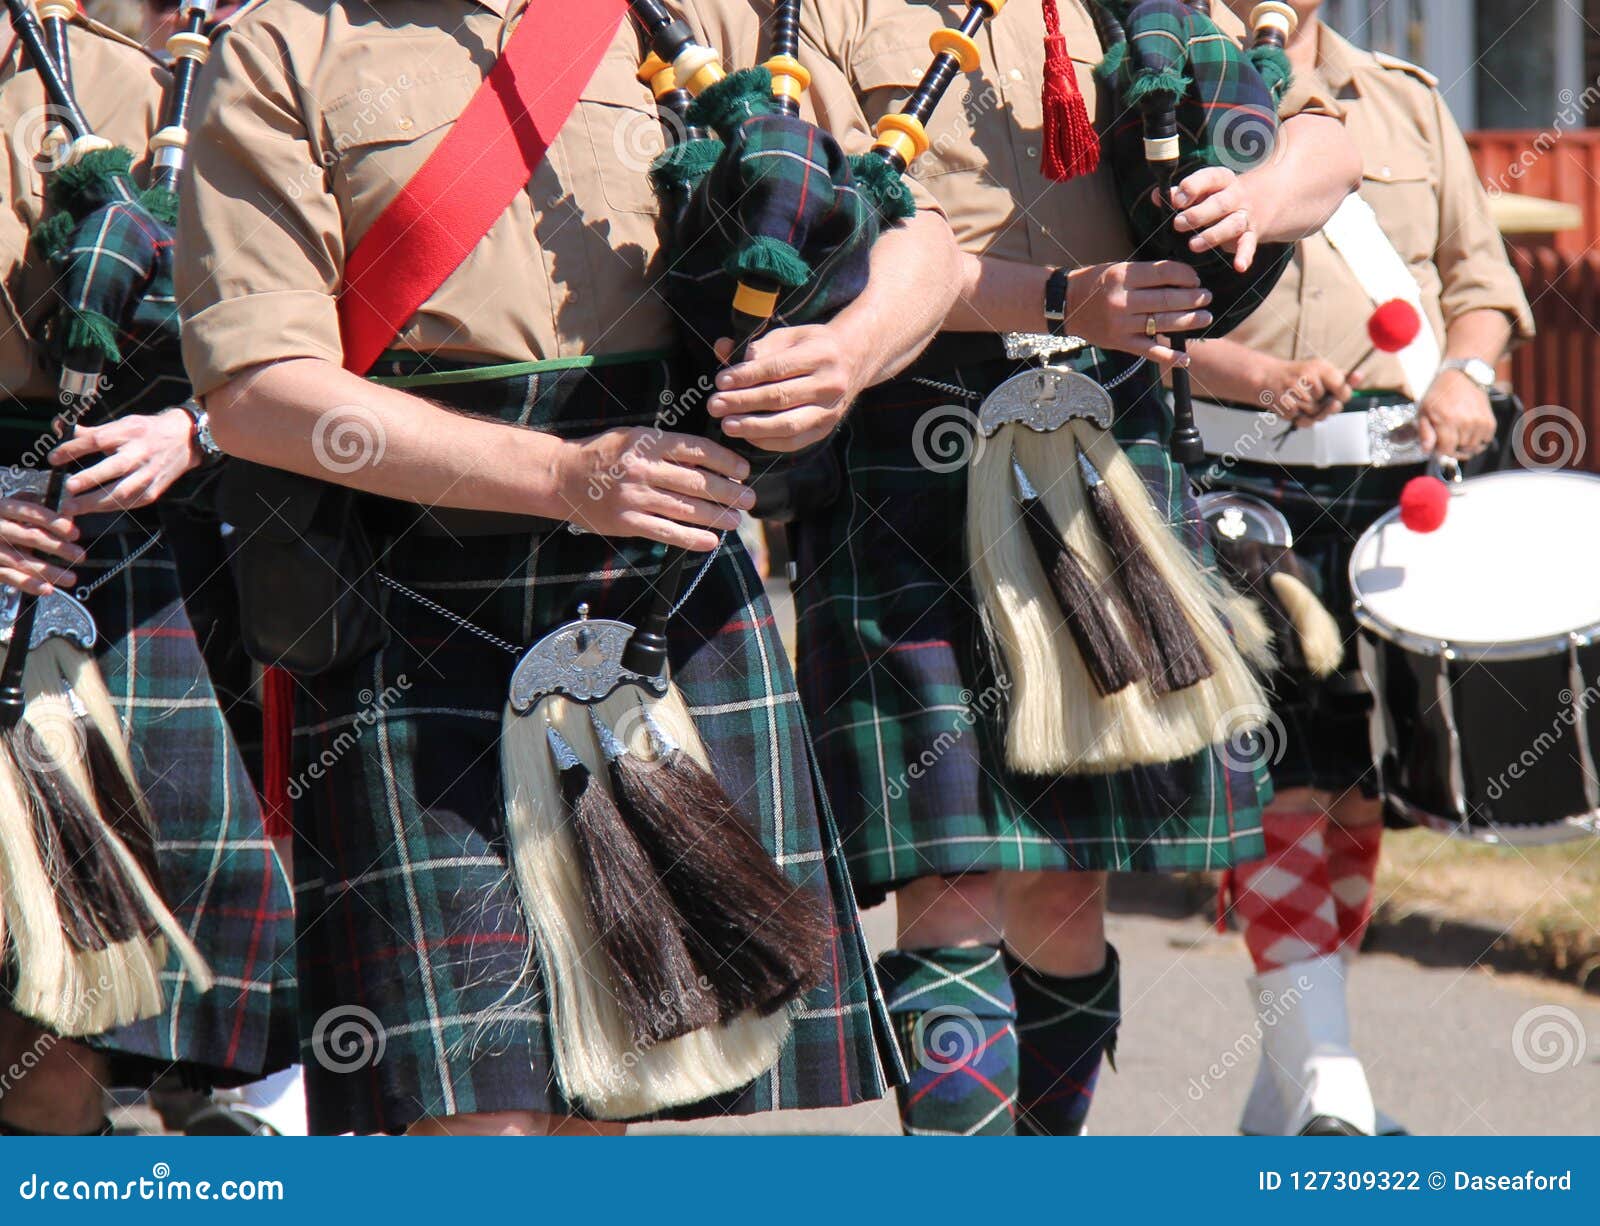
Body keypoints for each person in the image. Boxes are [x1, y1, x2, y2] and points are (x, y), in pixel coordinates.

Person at [176, 0, 962, 1136]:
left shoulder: (699, 16)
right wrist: (561, 476)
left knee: (609, 1092)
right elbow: (256, 389)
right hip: (418, 595)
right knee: (480, 1117)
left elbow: (918, 237)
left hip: (662, 578)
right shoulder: (283, 47)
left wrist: (846, 352)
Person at [791, 0, 1360, 1136]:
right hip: (914, 450)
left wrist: (1253, 193)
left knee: (1067, 877)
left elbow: (1328, 145)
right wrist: (1057, 299)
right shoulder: (826, 12)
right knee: (947, 881)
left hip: (1114, 443)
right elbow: (845, 235)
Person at [1186, 0, 1534, 1137]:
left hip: (1397, 498)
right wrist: (1241, 372)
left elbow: (1480, 291)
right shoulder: (1162, 94)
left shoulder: (1407, 100)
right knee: (1284, 783)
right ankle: (1332, 1093)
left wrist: (1466, 380)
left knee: (1357, 791)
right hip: (1242, 491)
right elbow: (1116, 307)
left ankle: (1285, 1088)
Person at [0, 4, 295, 1136]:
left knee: (77, 977)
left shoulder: (174, 83)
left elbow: (302, 317)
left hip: (129, 550)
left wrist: (201, 425)